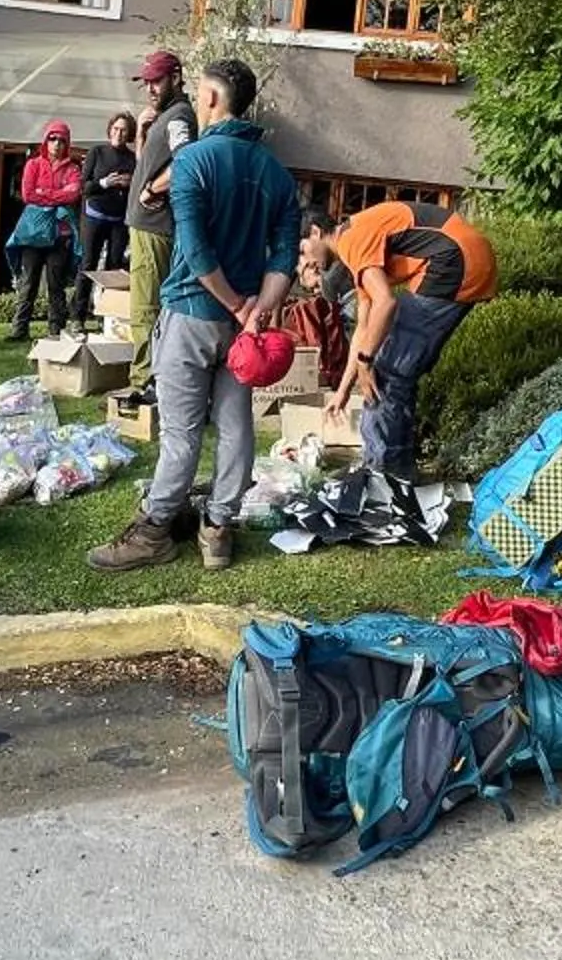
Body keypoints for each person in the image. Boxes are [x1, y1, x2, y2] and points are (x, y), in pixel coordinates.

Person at [87, 57, 297, 573]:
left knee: (181, 433)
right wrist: (256, 310)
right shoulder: (275, 172)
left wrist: (237, 305)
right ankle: (218, 530)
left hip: (191, 313)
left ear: (210, 98)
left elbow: (197, 253)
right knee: (236, 425)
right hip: (243, 329)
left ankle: (155, 530)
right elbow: (284, 255)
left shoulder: (194, 161)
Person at [303, 200, 498, 497]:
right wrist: (343, 391)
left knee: (386, 372)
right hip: (463, 260)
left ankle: (382, 479)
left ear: (316, 232)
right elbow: (365, 328)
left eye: (302, 250)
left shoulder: (352, 239)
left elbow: (386, 303)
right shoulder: (356, 249)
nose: (306, 262)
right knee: (396, 371)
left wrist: (367, 362)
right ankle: (399, 475)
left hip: (454, 260)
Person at [121, 50, 196, 402]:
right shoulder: (167, 116)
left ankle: (144, 384)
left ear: (176, 78)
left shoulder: (179, 116)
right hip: (147, 225)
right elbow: (147, 164)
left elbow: (185, 160)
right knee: (146, 306)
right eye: (147, 82)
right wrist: (141, 133)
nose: (150, 88)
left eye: (157, 81)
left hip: (155, 226)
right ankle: (149, 380)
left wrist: (152, 189)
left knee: (145, 308)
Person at [6, 120, 84, 346]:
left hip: (59, 236)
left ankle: (56, 329)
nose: (57, 143)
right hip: (33, 235)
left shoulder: (73, 169)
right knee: (28, 283)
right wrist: (57, 195)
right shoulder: (33, 165)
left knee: (56, 284)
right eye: (52, 138)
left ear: (67, 143)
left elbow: (73, 194)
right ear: (45, 140)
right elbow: (28, 194)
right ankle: (19, 329)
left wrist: (44, 193)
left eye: (62, 140)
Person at [72, 109, 137, 326]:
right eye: (116, 129)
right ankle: (78, 316)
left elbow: (137, 189)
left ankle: (107, 317)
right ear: (110, 130)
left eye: (124, 130)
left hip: (118, 220)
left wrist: (129, 183)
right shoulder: (97, 152)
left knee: (115, 268)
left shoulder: (132, 158)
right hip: (94, 216)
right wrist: (104, 183)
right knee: (88, 264)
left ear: (129, 134)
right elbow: (84, 187)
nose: (119, 133)